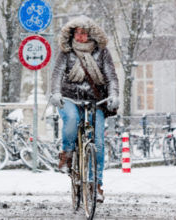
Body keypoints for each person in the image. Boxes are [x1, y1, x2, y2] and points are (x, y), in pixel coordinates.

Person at [50, 16, 119, 203]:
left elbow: (111, 77)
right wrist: (55, 94)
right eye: (77, 33)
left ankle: (96, 185)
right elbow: (56, 75)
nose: (80, 37)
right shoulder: (66, 53)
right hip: (69, 98)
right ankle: (67, 155)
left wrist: (114, 95)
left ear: (91, 34)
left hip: (94, 101)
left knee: (98, 142)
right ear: (72, 34)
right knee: (71, 119)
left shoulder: (102, 53)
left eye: (84, 33)